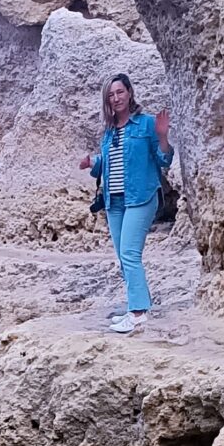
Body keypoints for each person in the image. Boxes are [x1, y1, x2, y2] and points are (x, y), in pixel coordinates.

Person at [81, 75, 174, 335]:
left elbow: (164, 159)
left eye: (120, 92)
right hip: (115, 200)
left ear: (130, 93)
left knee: (130, 254)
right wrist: (92, 163)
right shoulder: (110, 132)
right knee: (124, 257)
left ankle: (137, 314)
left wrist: (163, 136)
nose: (116, 98)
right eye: (111, 95)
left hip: (141, 196)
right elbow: (109, 164)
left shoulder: (146, 125)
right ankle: (140, 305)